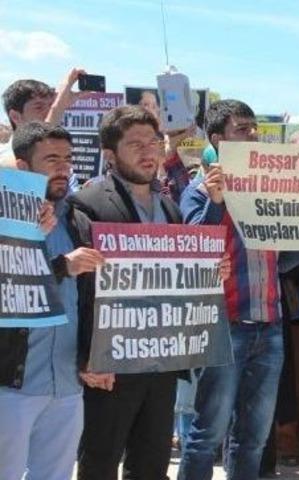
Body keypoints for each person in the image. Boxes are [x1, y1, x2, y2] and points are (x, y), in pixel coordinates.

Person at [178, 99, 299, 479]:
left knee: (253, 436)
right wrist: (217, 204)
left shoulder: (267, 191)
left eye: (255, 128)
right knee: (208, 433)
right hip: (223, 326)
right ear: (217, 138)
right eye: (242, 129)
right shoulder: (199, 193)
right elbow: (194, 251)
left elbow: (283, 259)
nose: (252, 135)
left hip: (269, 324)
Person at [70, 105, 186, 479]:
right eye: (135, 143)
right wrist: (88, 354)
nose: (148, 151)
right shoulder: (88, 204)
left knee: (152, 463)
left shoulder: (170, 208)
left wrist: (206, 271)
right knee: (101, 459)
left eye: (153, 141)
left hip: (161, 358)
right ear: (109, 154)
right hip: (111, 361)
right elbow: (82, 289)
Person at [0, 122, 104, 480]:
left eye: (68, 158)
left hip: (66, 385)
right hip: (13, 383)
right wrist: (60, 265)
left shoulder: (79, 220)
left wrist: (93, 354)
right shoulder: (3, 220)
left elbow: (91, 298)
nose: (64, 167)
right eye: (52, 159)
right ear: (24, 166)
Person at [1, 69, 85, 166]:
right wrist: (59, 105)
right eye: (39, 107)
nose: (49, 111)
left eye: (50, 105)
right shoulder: (4, 158)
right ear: (15, 116)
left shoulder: (61, 161)